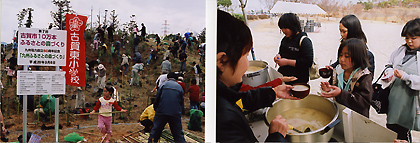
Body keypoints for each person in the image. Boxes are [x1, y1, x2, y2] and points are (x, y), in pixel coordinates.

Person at [217, 9, 298, 142]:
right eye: (246, 55)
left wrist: (273, 93)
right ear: (221, 60)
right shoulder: (224, 121)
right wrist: (276, 136)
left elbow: (239, 100)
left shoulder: (222, 94)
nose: (247, 62)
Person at [385, 18, 420, 142]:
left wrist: (406, 77)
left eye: (413, 38)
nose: (409, 41)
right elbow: (389, 64)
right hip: (395, 97)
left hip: (409, 100)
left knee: (404, 130)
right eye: (406, 38)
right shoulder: (401, 50)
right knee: (391, 127)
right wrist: (388, 73)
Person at [320, 38, 373, 118]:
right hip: (338, 112)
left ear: (358, 57)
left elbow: (363, 102)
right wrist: (328, 89)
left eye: (347, 56)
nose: (341, 59)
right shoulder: (337, 70)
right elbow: (333, 87)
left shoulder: (364, 76)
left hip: (356, 117)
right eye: (340, 55)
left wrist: (341, 93)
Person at [274, 13, 314, 85]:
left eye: (285, 28)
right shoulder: (285, 39)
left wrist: (287, 62)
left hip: (299, 81)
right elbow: (281, 52)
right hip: (284, 78)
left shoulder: (305, 41)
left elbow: (308, 62)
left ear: (293, 26)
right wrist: (278, 56)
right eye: (281, 28)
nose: (283, 31)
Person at [148, 72, 185, 142]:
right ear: (176, 79)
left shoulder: (163, 85)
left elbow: (157, 99)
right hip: (175, 113)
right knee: (178, 134)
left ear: (167, 78)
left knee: (156, 132)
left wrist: (156, 109)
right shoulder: (179, 87)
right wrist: (180, 112)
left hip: (162, 112)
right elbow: (181, 102)